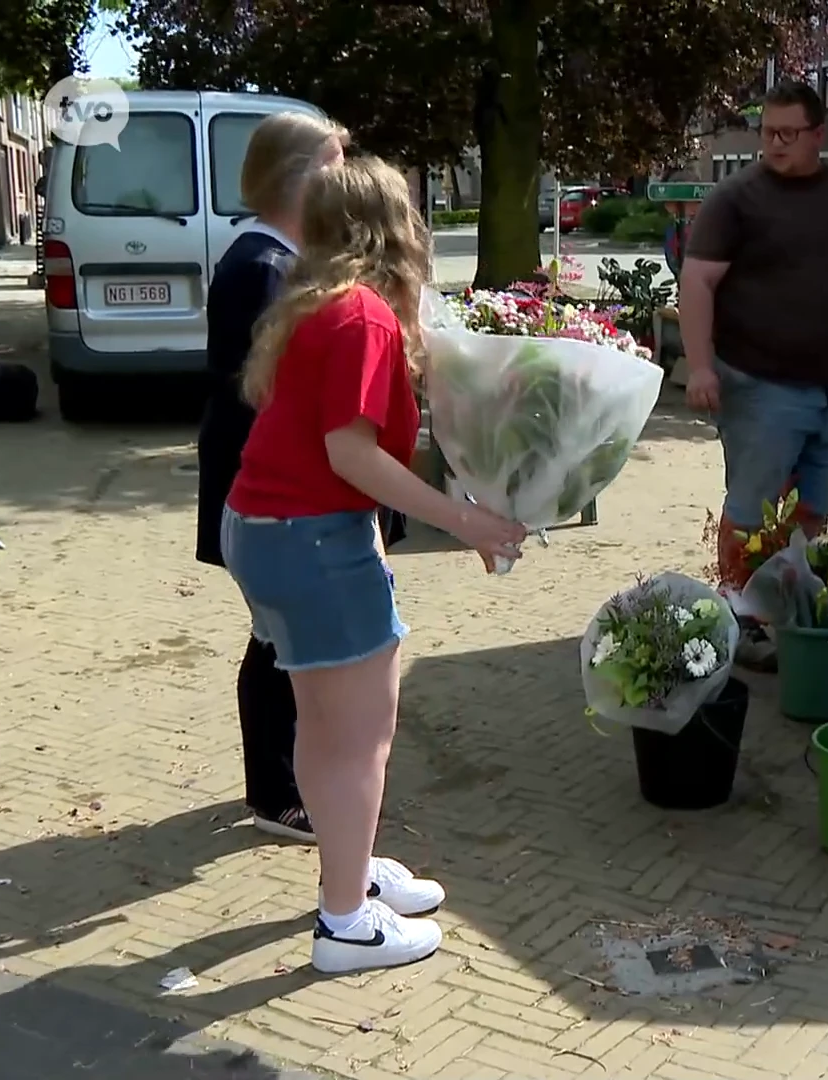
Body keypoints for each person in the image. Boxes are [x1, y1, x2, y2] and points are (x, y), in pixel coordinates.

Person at [221, 155, 528, 974]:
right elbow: (349, 454)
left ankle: (347, 872)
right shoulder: (360, 316)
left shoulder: (314, 305)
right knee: (360, 735)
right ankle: (346, 923)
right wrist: (466, 520)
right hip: (314, 538)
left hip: (269, 528)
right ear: (394, 227)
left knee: (328, 724)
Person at [679, 80, 828, 664]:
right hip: (761, 384)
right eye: (767, 133)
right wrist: (700, 366)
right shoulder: (737, 199)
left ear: (818, 135)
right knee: (751, 504)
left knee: (817, 504)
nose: (775, 144)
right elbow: (697, 282)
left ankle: (793, 597)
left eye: (788, 133)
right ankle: (738, 611)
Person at [195, 112, 346, 843]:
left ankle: (283, 780)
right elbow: (263, 395)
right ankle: (277, 793)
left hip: (272, 493)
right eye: (334, 163)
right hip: (267, 498)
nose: (343, 179)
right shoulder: (261, 267)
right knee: (278, 641)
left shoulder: (279, 258)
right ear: (300, 176)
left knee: (276, 637)